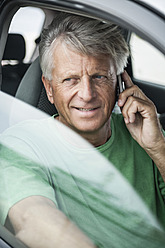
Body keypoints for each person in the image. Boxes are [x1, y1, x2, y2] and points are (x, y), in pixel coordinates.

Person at [0, 12, 165, 248]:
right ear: (49, 88)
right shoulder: (21, 145)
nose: (87, 94)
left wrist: (158, 147)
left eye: (99, 76)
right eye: (70, 80)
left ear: (119, 82)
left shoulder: (146, 135)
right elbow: (32, 219)